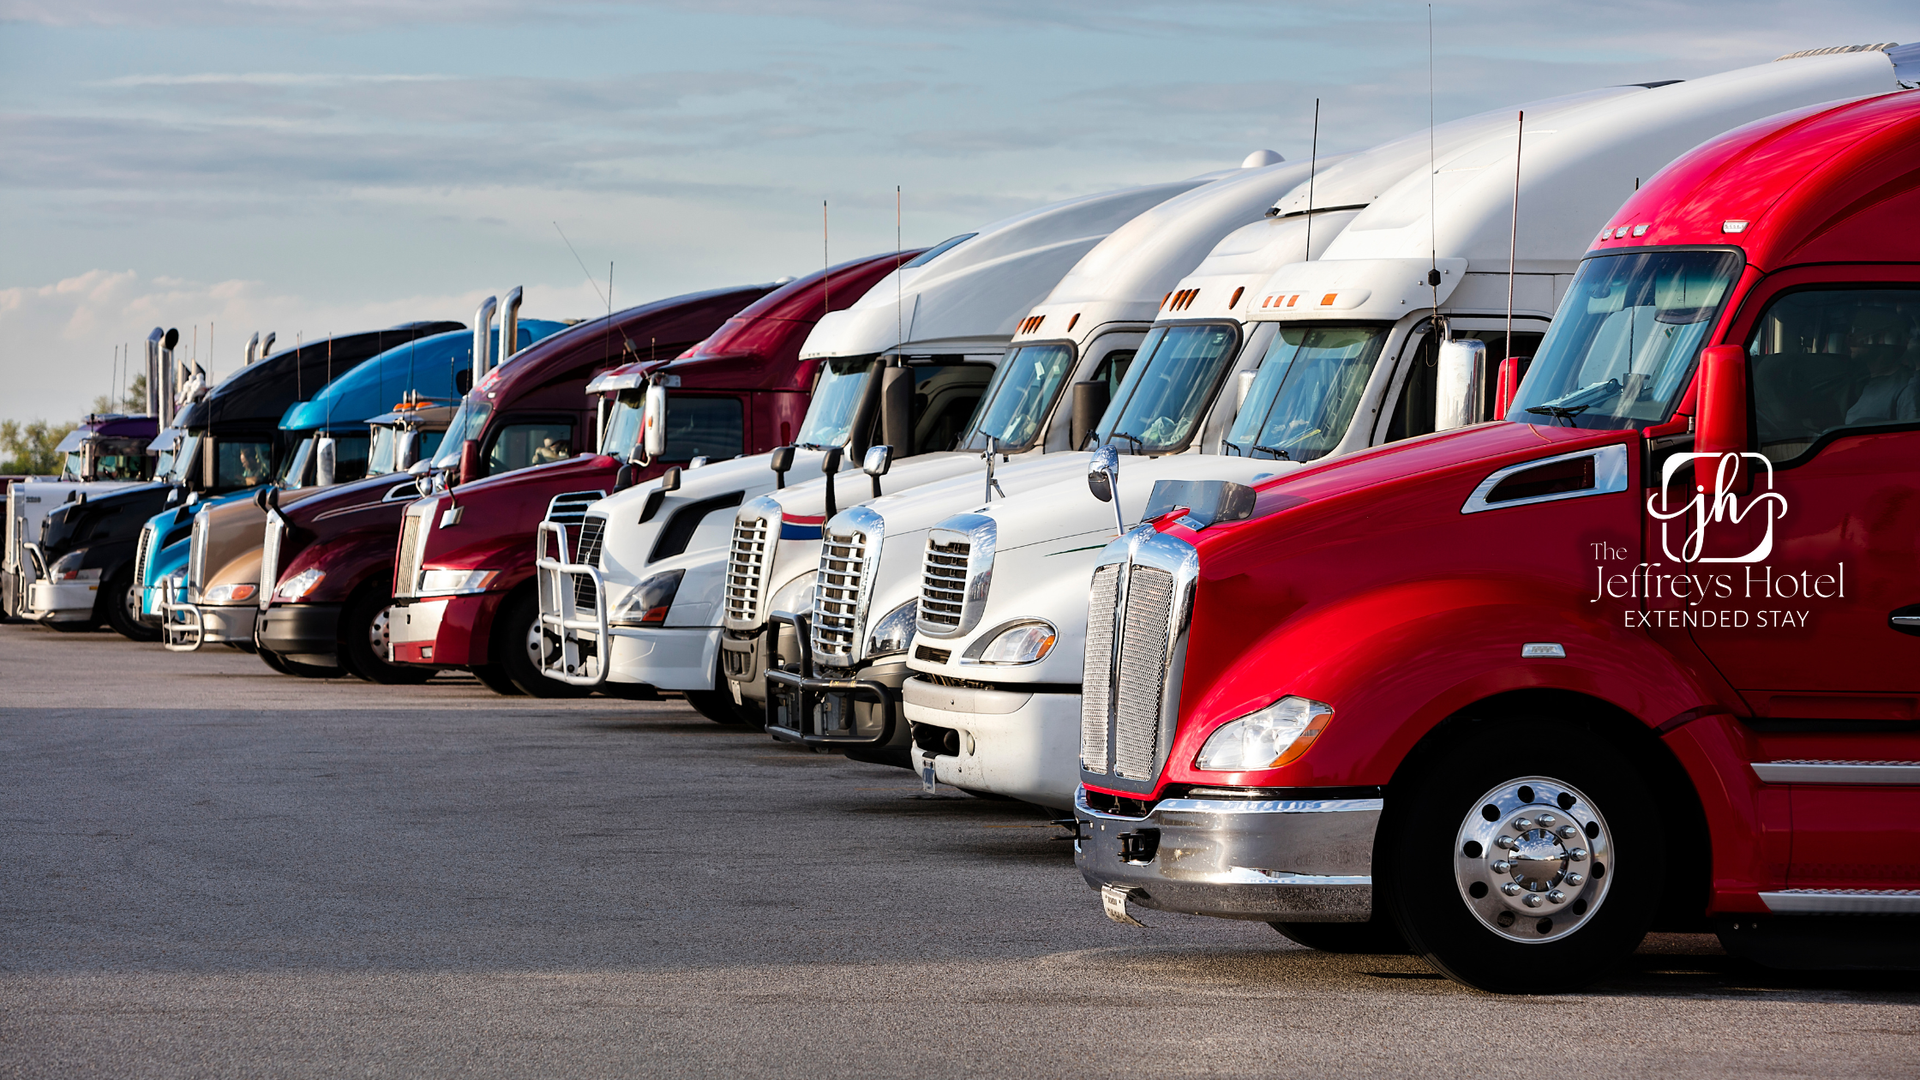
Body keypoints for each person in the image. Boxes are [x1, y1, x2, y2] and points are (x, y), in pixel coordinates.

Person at [1844, 308, 1920, 424]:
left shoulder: (1906, 389)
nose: (1850, 336)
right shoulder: (1859, 381)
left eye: (1857, 330)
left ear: (1880, 338)